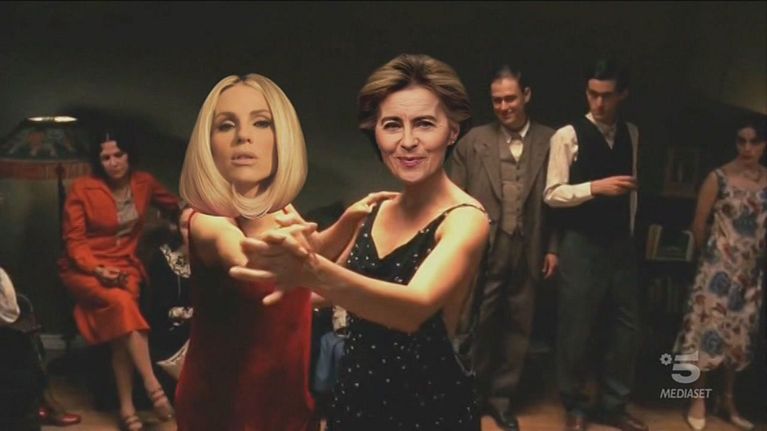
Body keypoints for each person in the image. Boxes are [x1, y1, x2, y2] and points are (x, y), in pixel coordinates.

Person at [231, 54, 490, 431]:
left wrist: (311, 269)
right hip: (357, 396)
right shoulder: (376, 210)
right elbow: (336, 293)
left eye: (424, 124)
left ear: (452, 131)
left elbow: (413, 309)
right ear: (375, 132)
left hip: (428, 407)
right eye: (392, 125)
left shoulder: (465, 218)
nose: (407, 142)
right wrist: (270, 280)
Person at [175, 73, 390, 431]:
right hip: (226, 407)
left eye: (261, 123)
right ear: (207, 146)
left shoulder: (282, 209)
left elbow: (309, 259)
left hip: (285, 397)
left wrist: (350, 221)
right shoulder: (207, 223)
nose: (243, 136)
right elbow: (252, 262)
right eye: (226, 125)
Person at [448, 64, 558, 431]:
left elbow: (559, 203)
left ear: (526, 95)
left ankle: (501, 400)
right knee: (478, 324)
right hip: (485, 249)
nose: (504, 106)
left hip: (529, 247)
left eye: (510, 98)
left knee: (518, 328)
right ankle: (471, 397)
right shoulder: (473, 142)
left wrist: (553, 248)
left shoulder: (552, 141)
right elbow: (453, 199)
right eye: (497, 100)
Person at [544, 59, 647, 431]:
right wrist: (595, 188)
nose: (599, 103)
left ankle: (614, 404)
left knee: (625, 328)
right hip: (581, 243)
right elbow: (552, 194)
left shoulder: (632, 133)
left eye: (607, 95)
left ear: (623, 95)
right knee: (577, 328)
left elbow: (633, 194)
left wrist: (629, 232)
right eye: (592, 94)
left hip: (620, 244)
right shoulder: (567, 135)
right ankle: (575, 404)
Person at [57, 131, 180, 431]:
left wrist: (192, 223)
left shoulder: (144, 182)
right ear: (98, 161)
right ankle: (153, 388)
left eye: (118, 155)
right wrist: (97, 269)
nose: (113, 163)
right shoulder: (82, 189)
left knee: (120, 332)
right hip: (86, 271)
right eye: (105, 157)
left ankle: (127, 409)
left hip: (126, 268)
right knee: (123, 305)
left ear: (129, 156)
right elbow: (74, 243)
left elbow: (176, 205)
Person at [674, 119, 766, 431]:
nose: (747, 148)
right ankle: (697, 398)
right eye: (741, 141)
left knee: (738, 337)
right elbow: (699, 224)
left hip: (750, 273)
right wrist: (711, 260)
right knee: (707, 332)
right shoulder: (719, 177)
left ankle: (727, 400)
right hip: (717, 270)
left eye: (754, 142)